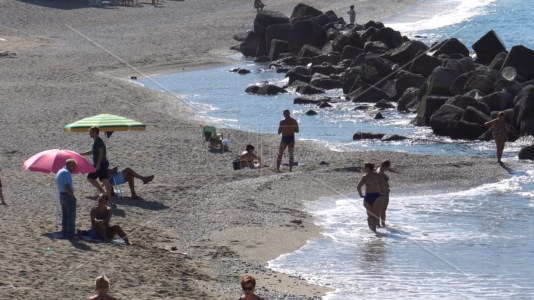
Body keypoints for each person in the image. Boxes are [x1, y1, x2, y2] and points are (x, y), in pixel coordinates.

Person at [82, 126, 112, 199]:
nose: (89, 134)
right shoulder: (97, 140)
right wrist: (82, 154)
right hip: (103, 163)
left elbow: (101, 152)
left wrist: (98, 164)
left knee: (90, 178)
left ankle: (103, 192)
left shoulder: (98, 141)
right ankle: (108, 196)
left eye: (90, 132)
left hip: (100, 164)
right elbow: (93, 151)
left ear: (95, 132)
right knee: (104, 180)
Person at [357, 162, 387, 233]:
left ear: (367, 168)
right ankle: (374, 234)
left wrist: (361, 195)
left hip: (368, 196)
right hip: (377, 196)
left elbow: (358, 187)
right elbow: (385, 185)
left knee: (370, 216)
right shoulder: (377, 176)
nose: (363, 169)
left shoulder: (365, 177)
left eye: (364, 167)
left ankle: (372, 234)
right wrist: (383, 193)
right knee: (374, 215)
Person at [55, 159, 78, 239]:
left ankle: (65, 233)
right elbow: (67, 186)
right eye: (74, 166)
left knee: (65, 216)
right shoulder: (66, 172)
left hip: (62, 195)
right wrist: (73, 196)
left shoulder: (60, 171)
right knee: (71, 217)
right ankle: (70, 235)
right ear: (69, 165)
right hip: (67, 196)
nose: (75, 168)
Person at [377, 160, 391, 227]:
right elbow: (380, 183)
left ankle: (380, 224)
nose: (389, 168)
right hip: (383, 193)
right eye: (388, 166)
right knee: (382, 210)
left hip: (384, 192)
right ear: (386, 166)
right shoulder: (379, 172)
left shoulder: (380, 170)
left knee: (381, 210)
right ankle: (381, 224)